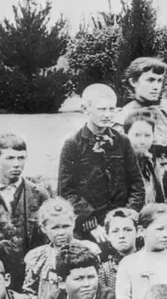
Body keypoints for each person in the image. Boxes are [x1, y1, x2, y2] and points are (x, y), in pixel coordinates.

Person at [57, 83, 145, 245]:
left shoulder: (122, 141)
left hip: (121, 225)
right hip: (88, 229)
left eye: (112, 109)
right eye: (101, 109)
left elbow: (137, 184)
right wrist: (91, 225)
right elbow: (66, 191)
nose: (107, 114)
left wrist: (127, 217)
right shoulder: (73, 144)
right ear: (85, 109)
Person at [0, 133, 51, 252]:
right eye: (10, 158)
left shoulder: (39, 194)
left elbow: (50, 236)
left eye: (21, 158)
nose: (17, 164)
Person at [121, 56, 167, 193]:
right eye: (150, 80)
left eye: (159, 81)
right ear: (133, 82)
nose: (156, 87)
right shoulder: (123, 117)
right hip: (139, 183)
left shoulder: (166, 115)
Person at [122, 108, 167, 206]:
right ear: (126, 135)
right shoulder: (120, 164)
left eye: (147, 135)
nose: (143, 141)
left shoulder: (151, 163)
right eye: (137, 135)